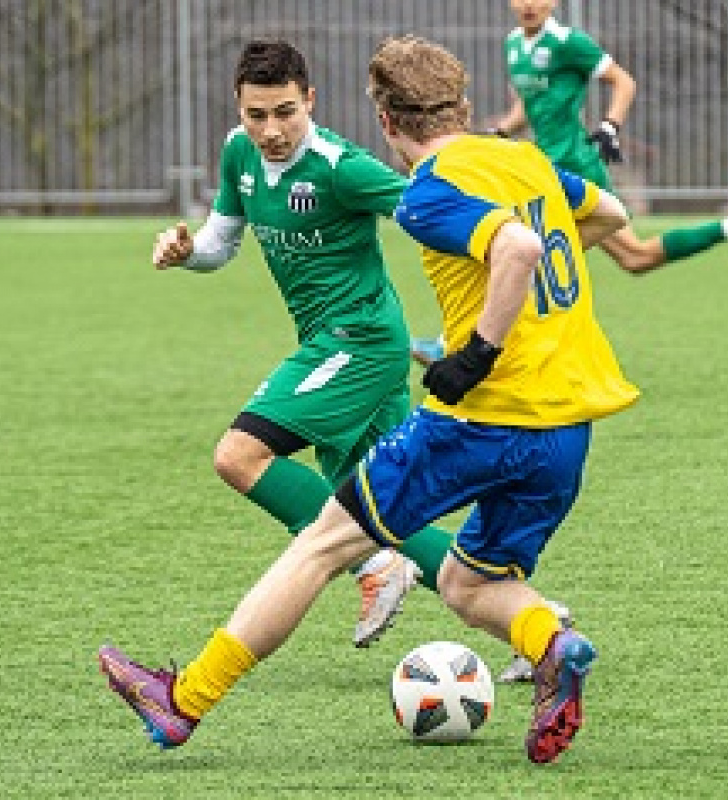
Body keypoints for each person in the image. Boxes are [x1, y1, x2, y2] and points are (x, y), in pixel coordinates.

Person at [99, 34, 639, 765]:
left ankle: (183, 701)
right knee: (470, 583)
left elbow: (515, 250)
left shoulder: (426, 193)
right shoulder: (526, 161)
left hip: (481, 418)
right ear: (464, 103)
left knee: (322, 544)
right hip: (568, 428)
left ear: (384, 121)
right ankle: (554, 642)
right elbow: (605, 213)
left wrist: (475, 354)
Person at [151, 38, 459, 647]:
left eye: (285, 111)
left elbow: (434, 214)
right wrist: (188, 255)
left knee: (238, 457)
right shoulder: (237, 154)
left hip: (360, 343)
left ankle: (374, 566)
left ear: (310, 100)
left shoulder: (339, 168)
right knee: (384, 506)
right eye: (256, 114)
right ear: (238, 109)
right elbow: (220, 243)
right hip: (340, 344)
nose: (270, 130)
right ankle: (538, 625)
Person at [410, 0, 728, 367]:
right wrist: (498, 131)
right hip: (544, 168)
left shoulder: (568, 43)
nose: (530, 4)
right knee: (631, 257)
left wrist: (610, 126)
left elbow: (623, 82)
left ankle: (453, 343)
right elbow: (527, 108)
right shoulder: (514, 45)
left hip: (575, 166)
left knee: (513, 250)